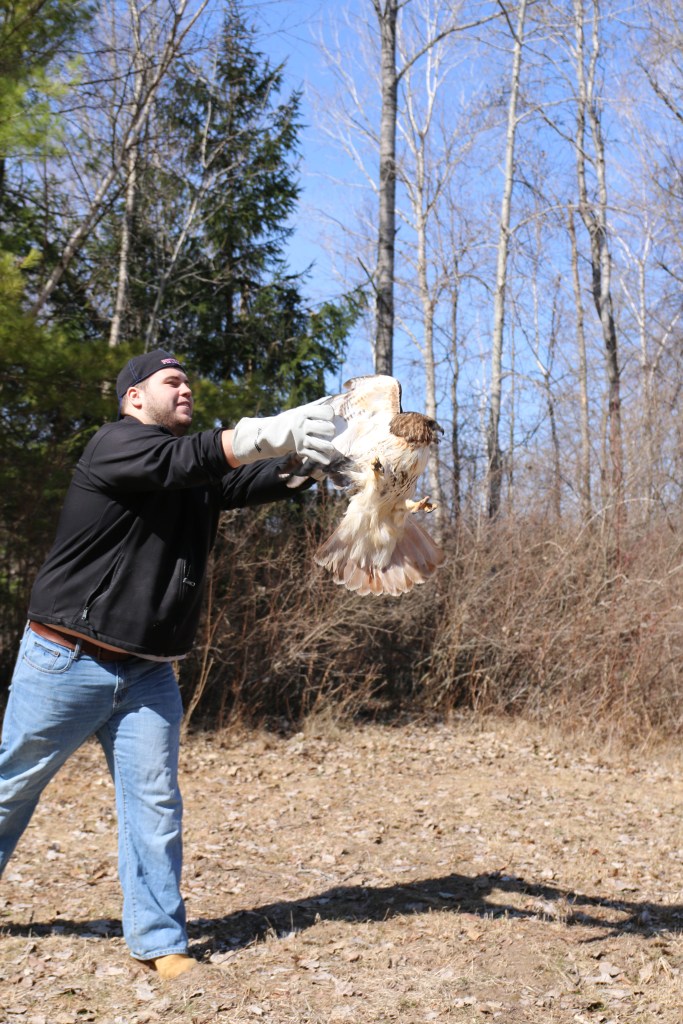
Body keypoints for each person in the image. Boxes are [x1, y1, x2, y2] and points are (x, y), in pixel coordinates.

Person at [0, 349, 335, 980]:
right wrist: (269, 429)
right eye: (171, 381)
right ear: (133, 398)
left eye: (188, 382)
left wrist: (304, 465)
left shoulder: (188, 472)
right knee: (11, 787)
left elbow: (235, 480)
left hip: (149, 674)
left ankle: (160, 941)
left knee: (155, 806)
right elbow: (189, 458)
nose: (186, 390)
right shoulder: (116, 447)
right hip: (65, 658)